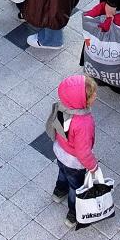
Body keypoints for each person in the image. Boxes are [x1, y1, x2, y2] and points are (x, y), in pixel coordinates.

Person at [46, 74, 99, 228]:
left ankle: (58, 192)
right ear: (82, 101)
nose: (96, 96)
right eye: (92, 95)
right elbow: (83, 152)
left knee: (62, 173)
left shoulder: (62, 106)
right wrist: (93, 166)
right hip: (74, 162)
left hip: (60, 151)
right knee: (76, 187)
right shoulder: (84, 123)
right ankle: (73, 215)